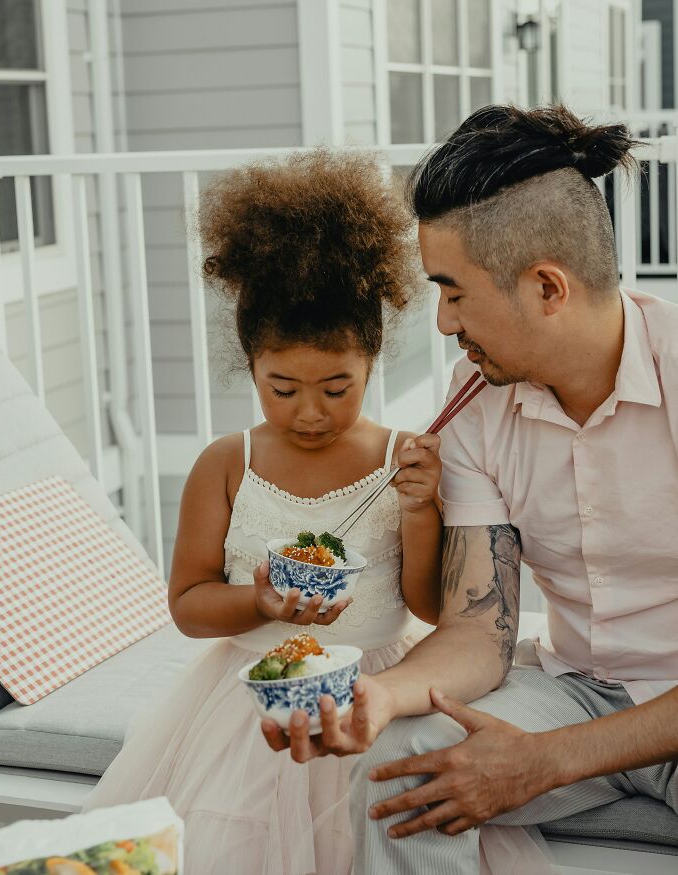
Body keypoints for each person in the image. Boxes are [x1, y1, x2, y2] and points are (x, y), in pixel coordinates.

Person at [261, 106, 678, 874]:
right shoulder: (475, 399)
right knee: (400, 767)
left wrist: (548, 759)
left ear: (547, 286)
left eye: (453, 292)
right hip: (575, 684)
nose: (446, 322)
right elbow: (480, 629)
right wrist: (383, 696)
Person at [82, 150, 446, 874]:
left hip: (373, 698)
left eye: (337, 387)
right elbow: (187, 603)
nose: (310, 412)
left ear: (374, 360)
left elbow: (430, 606)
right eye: (282, 388)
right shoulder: (228, 463)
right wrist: (260, 599)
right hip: (249, 702)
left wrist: (422, 511)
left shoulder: (401, 459)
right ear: (249, 363)